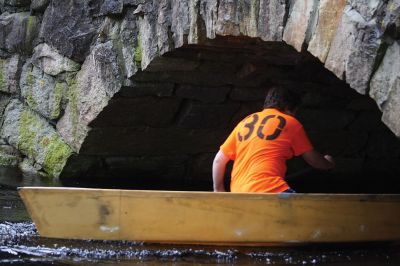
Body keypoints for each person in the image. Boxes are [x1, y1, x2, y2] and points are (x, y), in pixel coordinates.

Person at [212, 86, 335, 193]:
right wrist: (328, 164)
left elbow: (218, 160)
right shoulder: (291, 122)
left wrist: (219, 190)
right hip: (270, 189)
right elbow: (314, 161)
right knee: (308, 215)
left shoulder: (245, 122)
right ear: (288, 108)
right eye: (295, 112)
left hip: (239, 193)